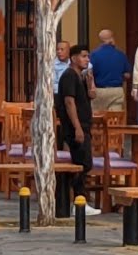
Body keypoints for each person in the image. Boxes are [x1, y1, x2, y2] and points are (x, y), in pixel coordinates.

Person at [55, 45, 100, 216]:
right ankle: (79, 200)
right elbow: (69, 102)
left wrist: (90, 84)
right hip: (76, 127)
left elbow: (92, 96)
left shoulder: (81, 77)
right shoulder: (68, 76)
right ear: (73, 58)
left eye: (88, 57)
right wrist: (77, 128)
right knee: (83, 163)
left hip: (85, 125)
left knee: (84, 162)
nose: (87, 59)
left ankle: (79, 200)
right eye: (83, 56)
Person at [90, 29, 130, 112]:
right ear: (112, 39)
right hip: (116, 91)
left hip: (99, 91)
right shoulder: (120, 54)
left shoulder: (94, 55)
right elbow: (127, 75)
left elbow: (89, 73)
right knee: (115, 119)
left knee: (97, 118)